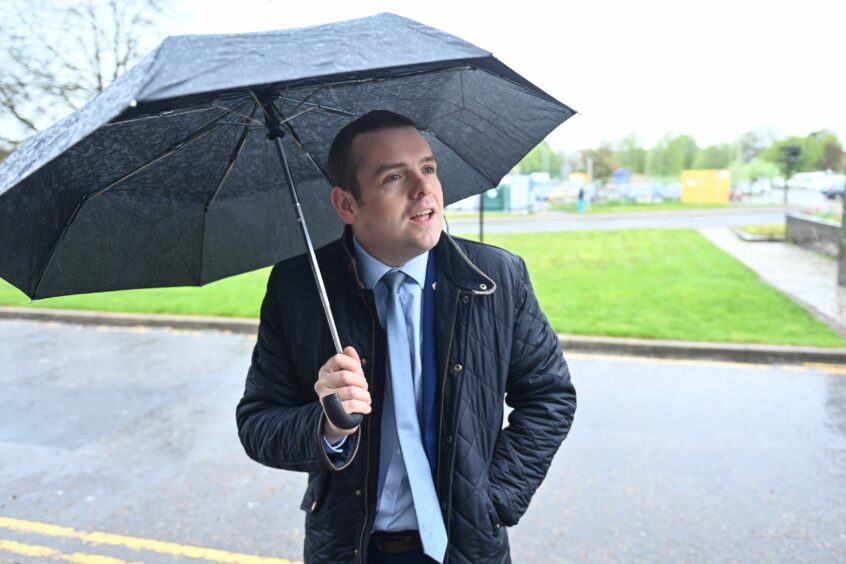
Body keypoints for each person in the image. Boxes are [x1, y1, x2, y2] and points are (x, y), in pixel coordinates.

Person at [236, 110, 576, 564]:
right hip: (349, 551)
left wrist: (493, 500)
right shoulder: (299, 287)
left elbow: (550, 396)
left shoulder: (495, 277)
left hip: (467, 548)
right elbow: (258, 424)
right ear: (346, 205)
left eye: (429, 168)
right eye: (395, 176)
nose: (425, 189)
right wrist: (329, 426)